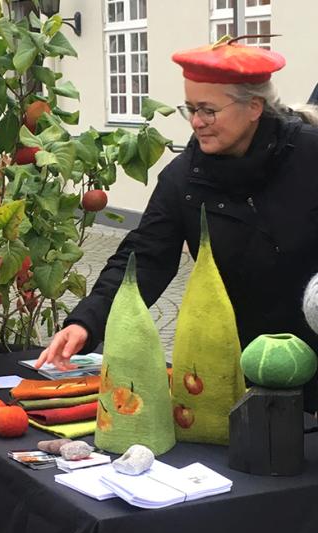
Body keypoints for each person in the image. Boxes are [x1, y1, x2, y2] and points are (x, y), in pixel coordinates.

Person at [37, 37, 318, 410]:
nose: (196, 122)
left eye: (208, 110)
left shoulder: (310, 155)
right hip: (245, 372)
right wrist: (86, 322)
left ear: (254, 107)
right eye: (190, 109)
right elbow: (143, 259)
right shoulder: (184, 180)